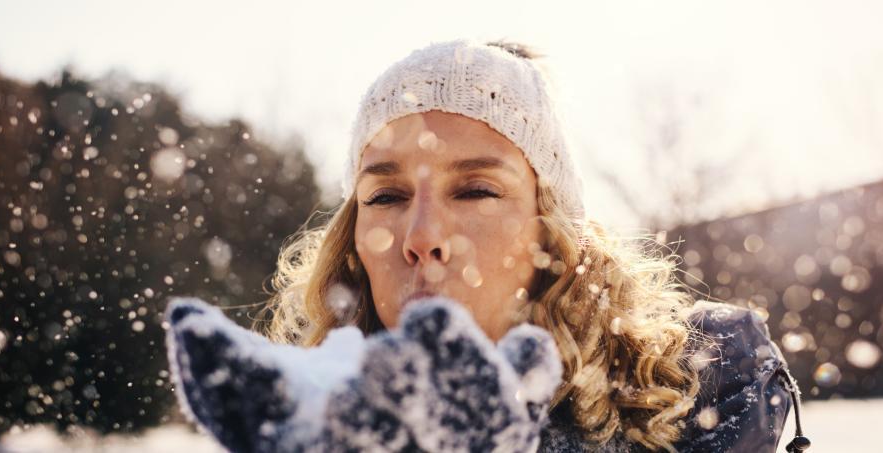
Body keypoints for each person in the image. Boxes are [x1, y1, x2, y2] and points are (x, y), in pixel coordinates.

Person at [176, 37, 811, 452]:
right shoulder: (316, 421)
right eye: (387, 197)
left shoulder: (699, 386)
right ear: (351, 246)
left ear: (550, 230)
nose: (422, 237)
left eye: (476, 190)